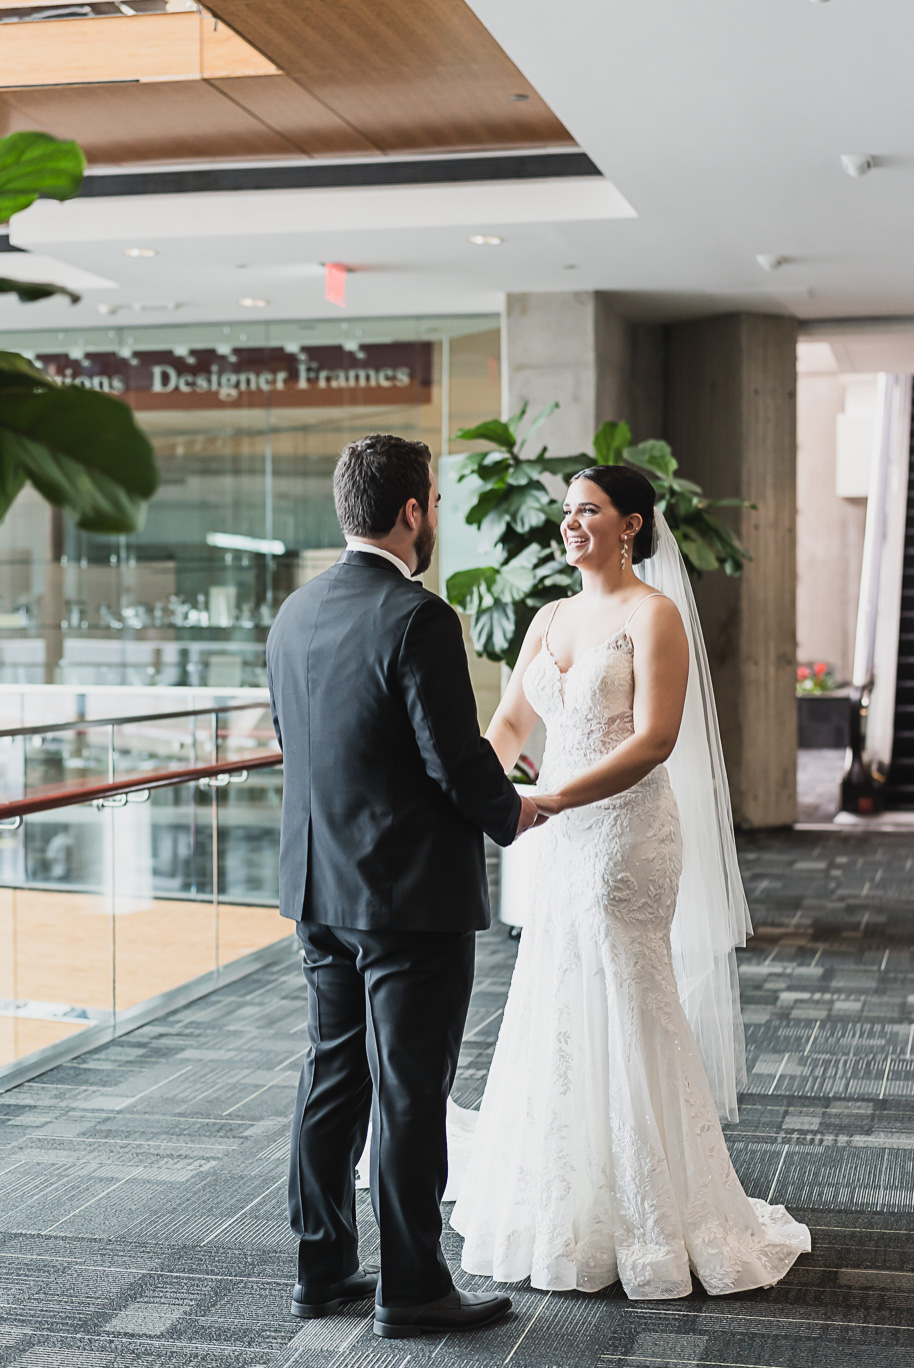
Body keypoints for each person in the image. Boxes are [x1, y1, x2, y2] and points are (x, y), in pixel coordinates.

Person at [449, 464, 812, 1298]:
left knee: (623, 989)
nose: (571, 524)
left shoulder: (655, 616)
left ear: (633, 526)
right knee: (559, 990)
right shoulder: (548, 616)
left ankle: (654, 1218)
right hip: (556, 836)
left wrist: (550, 799)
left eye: (590, 511)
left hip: (624, 836)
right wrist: (476, 795)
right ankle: (568, 1200)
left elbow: (653, 740)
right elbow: (508, 722)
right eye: (567, 512)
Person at [265, 433, 543, 1341]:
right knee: (411, 1089)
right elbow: (451, 761)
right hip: (407, 898)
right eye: (432, 498)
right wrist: (513, 813)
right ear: (414, 510)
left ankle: (323, 1267)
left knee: (331, 1076)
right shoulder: (419, 617)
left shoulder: (295, 613)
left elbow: (315, 748)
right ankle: (414, 1289)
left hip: (319, 887)